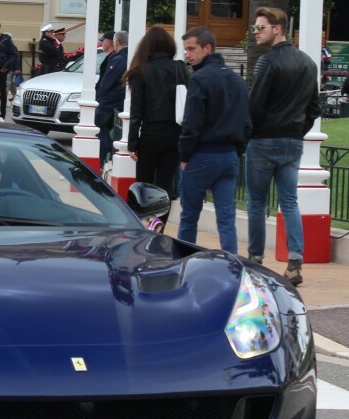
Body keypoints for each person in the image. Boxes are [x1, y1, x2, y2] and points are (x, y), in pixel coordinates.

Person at [246, 7, 321, 285]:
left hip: (264, 141)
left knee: (256, 203)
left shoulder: (268, 63)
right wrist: (297, 129)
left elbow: (254, 106)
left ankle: (255, 260)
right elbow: (315, 107)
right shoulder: (307, 63)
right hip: (292, 141)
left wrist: (251, 132)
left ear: (277, 28)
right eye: (254, 27)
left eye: (260, 27)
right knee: (289, 201)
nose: (255, 32)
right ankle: (295, 260)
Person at [176, 25, 251, 252]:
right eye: (186, 49)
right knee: (226, 218)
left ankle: (184, 259)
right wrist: (237, 150)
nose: (187, 54)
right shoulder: (237, 80)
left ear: (207, 48)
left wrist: (185, 154)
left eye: (191, 49)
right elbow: (247, 122)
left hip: (202, 154)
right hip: (228, 156)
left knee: (189, 216)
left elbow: (192, 122)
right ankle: (232, 263)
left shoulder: (200, 79)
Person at [124, 26, 188, 207]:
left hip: (150, 134)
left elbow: (136, 110)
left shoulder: (141, 70)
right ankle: (160, 225)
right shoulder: (179, 68)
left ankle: (145, 226)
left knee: (143, 186)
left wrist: (133, 144)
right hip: (175, 134)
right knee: (165, 186)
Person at [96, 30, 128, 168]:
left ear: (115, 42)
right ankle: (105, 156)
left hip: (110, 101)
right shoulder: (124, 56)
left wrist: (100, 98)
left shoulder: (119, 58)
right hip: (114, 101)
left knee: (96, 125)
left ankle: (104, 156)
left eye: (103, 41)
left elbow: (107, 82)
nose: (102, 43)